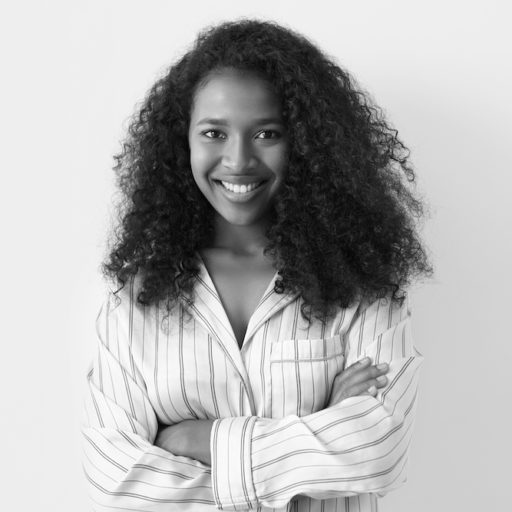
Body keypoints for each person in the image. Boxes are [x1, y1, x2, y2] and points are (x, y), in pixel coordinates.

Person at [82, 19, 432, 512]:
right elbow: (116, 480)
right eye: (214, 132)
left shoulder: (360, 285)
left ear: (305, 142)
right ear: (182, 142)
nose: (238, 159)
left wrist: (197, 441)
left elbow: (378, 451)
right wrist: (319, 431)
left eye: (267, 133)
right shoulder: (136, 300)